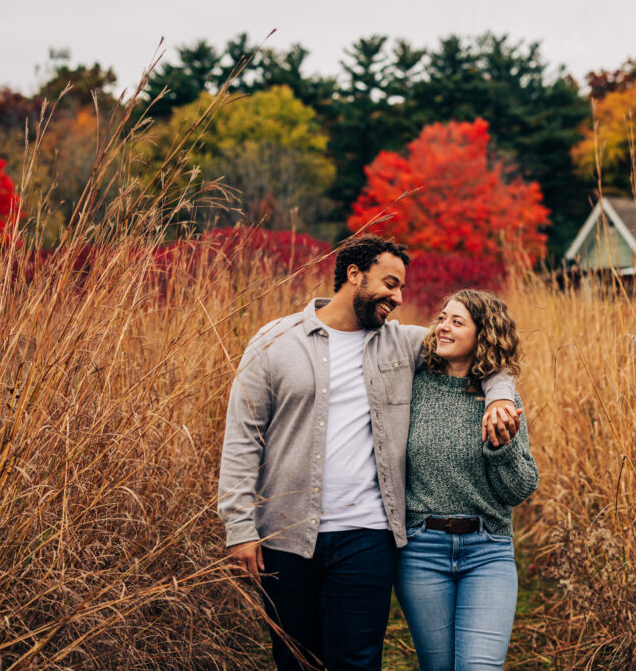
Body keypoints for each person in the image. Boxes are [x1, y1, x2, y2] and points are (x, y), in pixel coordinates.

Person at [217, 237, 520, 671]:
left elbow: (480, 353)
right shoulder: (275, 341)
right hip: (284, 533)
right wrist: (239, 526)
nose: (398, 298)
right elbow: (243, 437)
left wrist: (499, 398)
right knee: (295, 659)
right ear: (355, 275)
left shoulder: (404, 344)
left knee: (357, 661)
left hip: (369, 535)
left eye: (401, 289)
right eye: (391, 284)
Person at [396, 289, 539, 670]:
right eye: (442, 317)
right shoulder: (413, 387)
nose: (442, 327)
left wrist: (502, 446)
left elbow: (519, 490)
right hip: (420, 551)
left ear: (484, 335)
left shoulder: (503, 401)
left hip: (487, 549)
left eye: (456, 322)